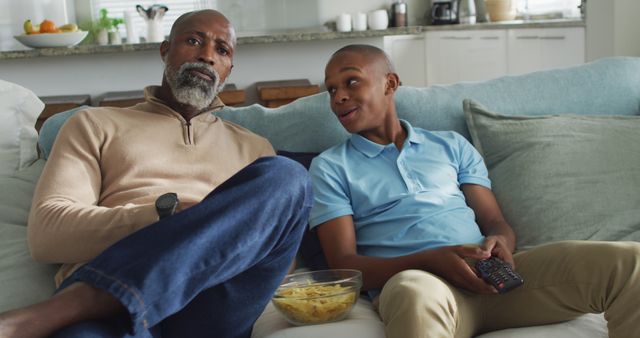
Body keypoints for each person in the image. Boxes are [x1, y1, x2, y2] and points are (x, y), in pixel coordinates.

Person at [0, 10, 312, 338]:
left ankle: (69, 306)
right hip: (110, 317)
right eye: (193, 41)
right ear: (165, 51)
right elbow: (49, 235)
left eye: (222, 50)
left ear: (228, 70)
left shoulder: (255, 148)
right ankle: (102, 298)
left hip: (213, 307)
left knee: (289, 177)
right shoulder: (94, 125)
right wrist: (165, 216)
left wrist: (205, 232)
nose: (207, 56)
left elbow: (275, 255)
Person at [309, 44, 640, 338]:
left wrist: (502, 243)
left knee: (630, 262)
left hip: (493, 279)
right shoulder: (331, 167)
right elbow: (345, 269)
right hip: (423, 287)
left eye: (351, 81)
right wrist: (430, 261)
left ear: (390, 84)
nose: (338, 97)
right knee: (412, 292)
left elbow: (494, 221)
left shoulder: (451, 145)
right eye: (331, 90)